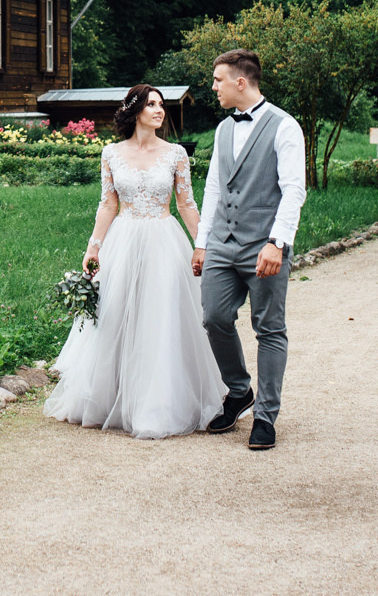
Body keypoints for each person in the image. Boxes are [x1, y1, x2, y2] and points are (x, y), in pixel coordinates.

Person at [45, 84, 224, 439]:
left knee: (161, 319)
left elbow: (187, 204)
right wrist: (93, 246)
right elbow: (107, 204)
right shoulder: (111, 153)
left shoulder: (176, 154)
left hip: (163, 238)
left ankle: (158, 404)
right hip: (123, 240)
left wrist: (202, 244)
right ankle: (108, 398)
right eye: (152, 104)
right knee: (116, 315)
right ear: (135, 110)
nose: (160, 110)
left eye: (161, 105)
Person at [192, 49, 306, 451]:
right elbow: (213, 188)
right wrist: (202, 242)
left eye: (218, 79)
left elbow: (294, 189)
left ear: (241, 82)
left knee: (269, 328)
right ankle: (239, 390)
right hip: (223, 242)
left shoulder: (285, 126)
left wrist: (278, 243)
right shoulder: (223, 129)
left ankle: (265, 416)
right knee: (214, 318)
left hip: (265, 243)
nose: (213, 87)